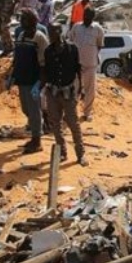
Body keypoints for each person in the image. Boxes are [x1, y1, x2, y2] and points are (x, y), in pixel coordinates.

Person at [43, 23, 88, 166]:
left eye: (52, 32)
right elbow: (46, 71)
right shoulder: (48, 51)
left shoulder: (72, 49)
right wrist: (42, 87)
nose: (50, 35)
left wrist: (82, 87)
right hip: (53, 92)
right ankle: (62, 152)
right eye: (49, 32)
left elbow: (78, 69)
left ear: (59, 31)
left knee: (73, 123)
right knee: (55, 124)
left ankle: (80, 154)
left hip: (68, 91)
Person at [11, 9, 49, 154]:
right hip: (22, 79)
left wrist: (40, 82)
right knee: (26, 109)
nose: (21, 22)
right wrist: (12, 75)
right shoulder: (21, 35)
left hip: (33, 80)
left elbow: (44, 62)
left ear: (32, 21)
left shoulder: (39, 38)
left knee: (34, 110)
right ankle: (34, 133)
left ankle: (37, 140)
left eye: (24, 19)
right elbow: (17, 57)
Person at [67, 7, 103, 122]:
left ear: (93, 17)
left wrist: (91, 55)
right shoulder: (76, 27)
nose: (86, 17)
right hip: (76, 65)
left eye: (89, 15)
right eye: (85, 15)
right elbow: (71, 41)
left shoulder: (98, 29)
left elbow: (100, 45)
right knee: (74, 89)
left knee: (90, 90)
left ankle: (87, 113)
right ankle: (72, 112)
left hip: (91, 65)